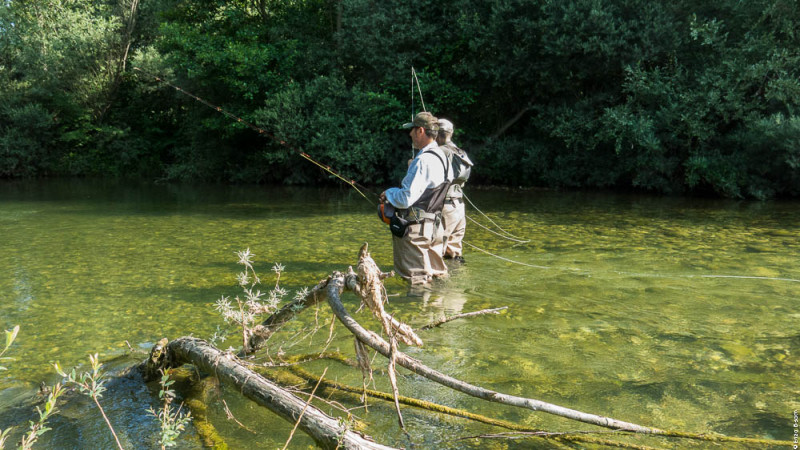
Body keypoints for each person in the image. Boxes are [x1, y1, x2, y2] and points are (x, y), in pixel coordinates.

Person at [380, 112, 452, 285]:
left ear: (421, 130)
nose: (410, 134)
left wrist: (389, 192)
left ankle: (417, 311)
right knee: (437, 278)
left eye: (412, 130)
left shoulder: (423, 161)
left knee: (417, 282)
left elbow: (406, 198)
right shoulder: (444, 157)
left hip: (417, 230)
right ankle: (441, 310)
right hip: (435, 228)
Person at [436, 118, 473, 263]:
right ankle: (457, 280)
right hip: (459, 207)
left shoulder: (439, 152)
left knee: (437, 250)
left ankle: (438, 284)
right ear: (451, 133)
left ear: (437, 134)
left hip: (445, 207)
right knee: (454, 252)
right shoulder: (459, 151)